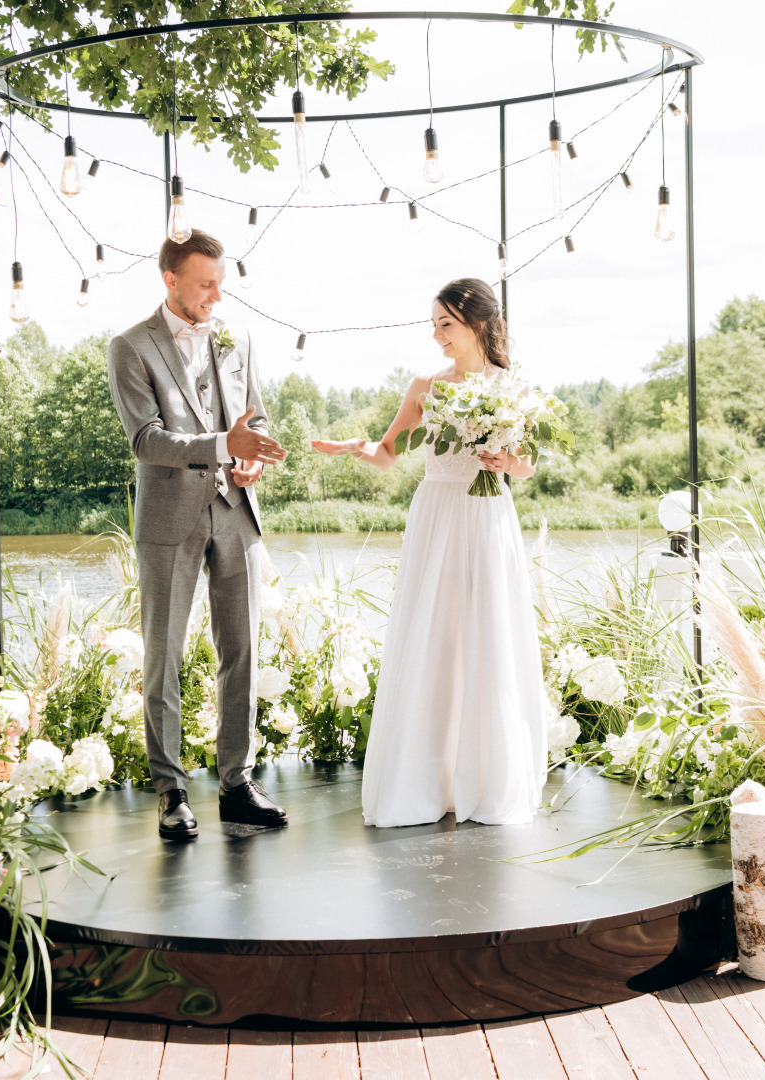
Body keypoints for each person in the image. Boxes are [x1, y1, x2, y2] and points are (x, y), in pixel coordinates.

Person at [313, 279, 547, 828]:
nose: (438, 334)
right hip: (436, 514)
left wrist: (503, 462)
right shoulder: (424, 386)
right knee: (433, 634)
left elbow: (528, 464)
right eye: (434, 325)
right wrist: (356, 448)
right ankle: (427, 778)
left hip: (486, 515)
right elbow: (389, 453)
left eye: (447, 323)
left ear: (479, 325)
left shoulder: (512, 386)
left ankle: (486, 779)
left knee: (486, 632)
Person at [105, 229, 291, 841]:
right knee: (165, 655)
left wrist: (253, 457)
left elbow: (253, 417)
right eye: (205, 283)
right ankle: (172, 790)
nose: (216, 294)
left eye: (220, 282)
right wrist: (219, 445)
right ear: (171, 280)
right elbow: (145, 440)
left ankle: (237, 783)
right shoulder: (130, 346)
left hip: (236, 508)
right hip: (169, 517)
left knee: (241, 650)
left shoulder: (237, 340)